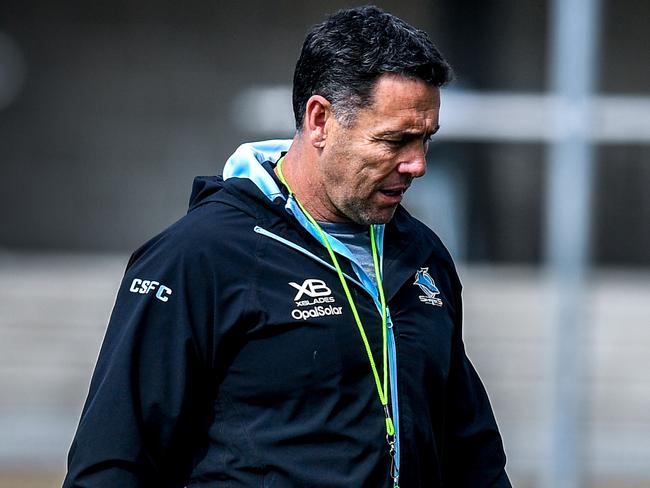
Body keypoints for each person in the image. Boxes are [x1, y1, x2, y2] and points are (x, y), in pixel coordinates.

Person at [63, 6, 511, 488]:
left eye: (425, 139)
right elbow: (109, 466)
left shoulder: (422, 256)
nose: (417, 164)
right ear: (320, 120)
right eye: (395, 140)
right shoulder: (197, 257)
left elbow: (472, 454)